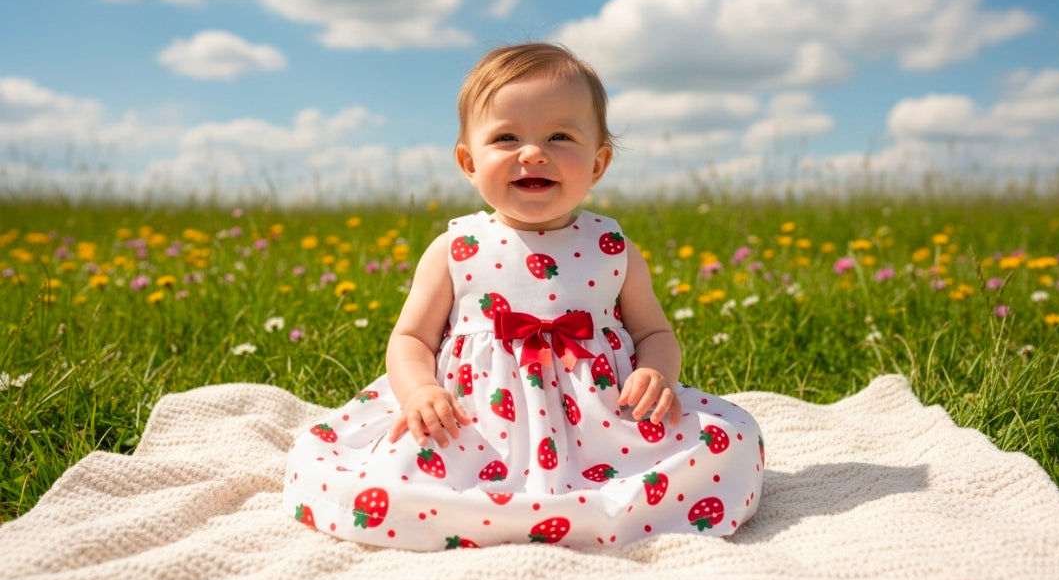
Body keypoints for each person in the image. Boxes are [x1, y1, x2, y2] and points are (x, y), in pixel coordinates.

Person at [283, 43, 764, 549]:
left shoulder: (612, 247)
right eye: (506, 137)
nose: (532, 153)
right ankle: (482, 510)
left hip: (598, 423)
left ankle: (601, 503)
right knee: (388, 471)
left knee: (728, 440)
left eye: (559, 136)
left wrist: (656, 374)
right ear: (469, 162)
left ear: (598, 163)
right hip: (478, 422)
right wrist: (419, 391)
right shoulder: (456, 248)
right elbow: (410, 338)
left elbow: (654, 331)